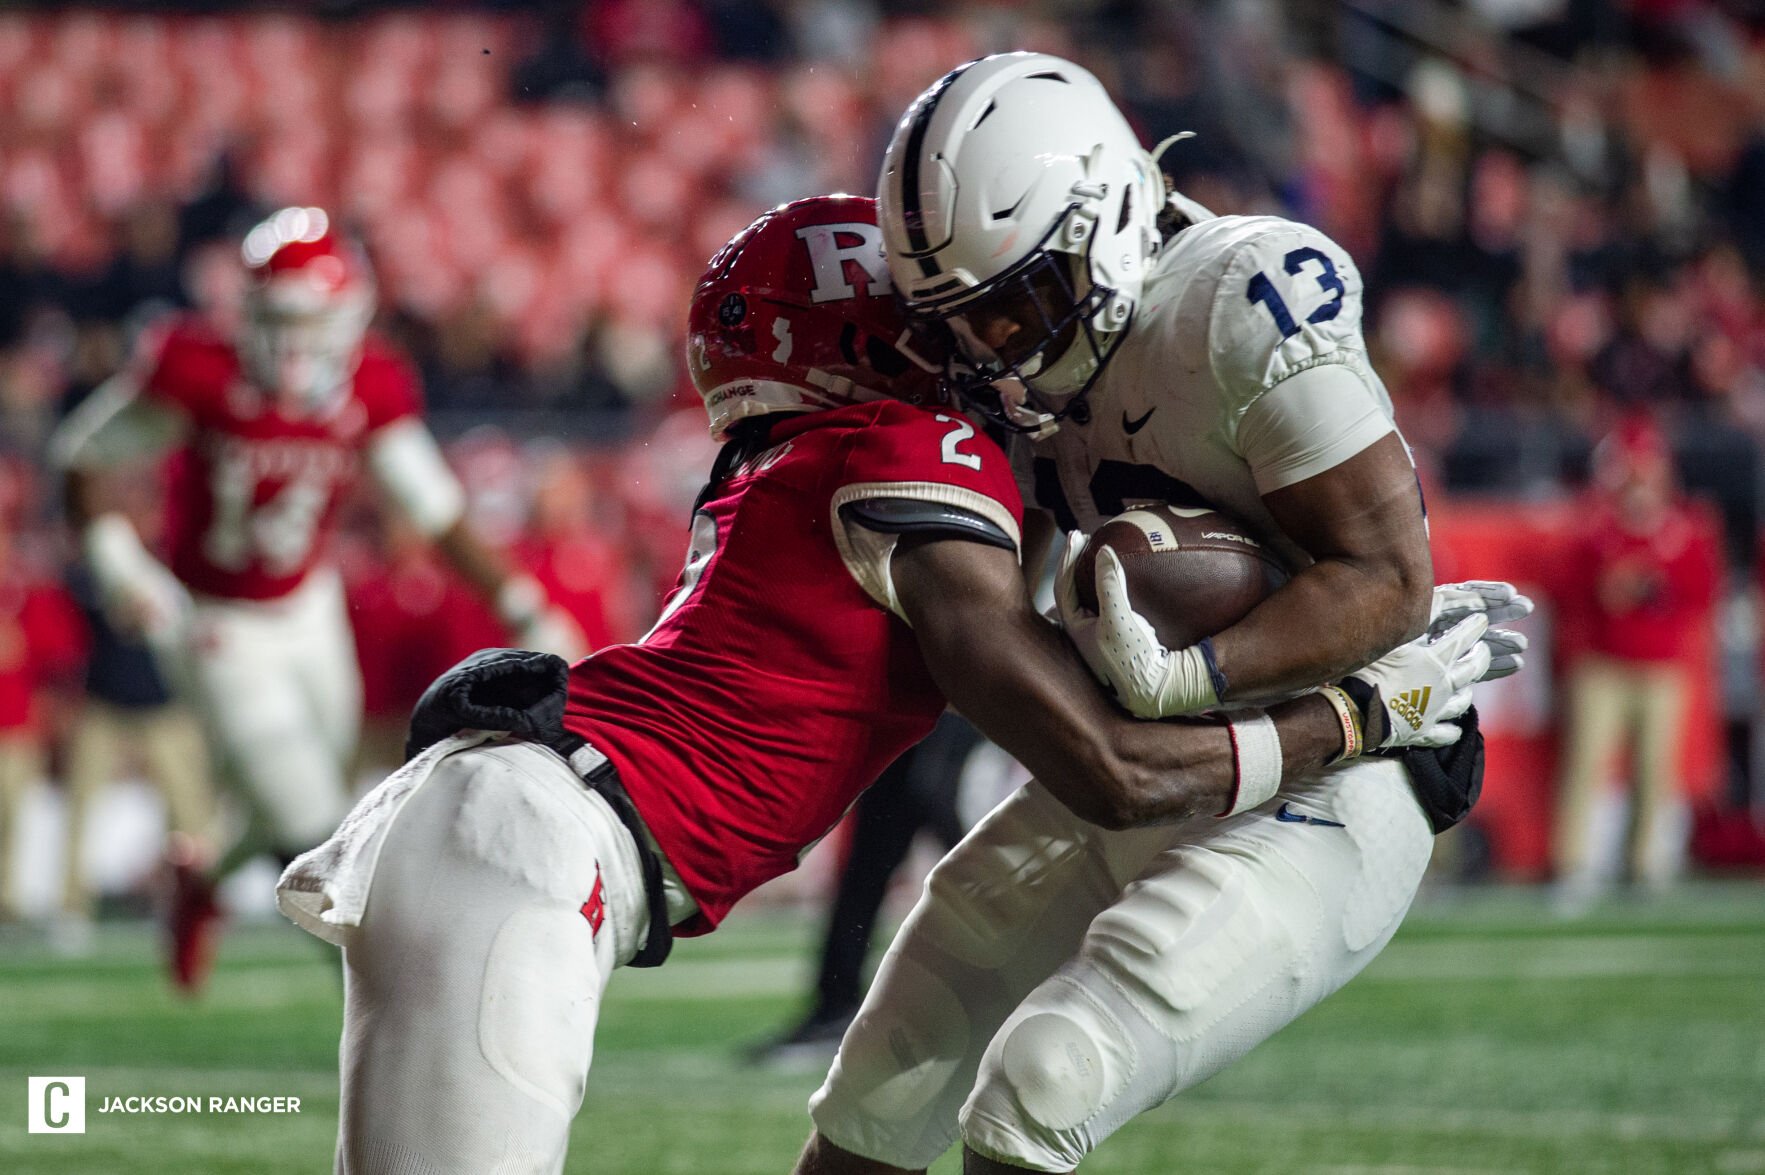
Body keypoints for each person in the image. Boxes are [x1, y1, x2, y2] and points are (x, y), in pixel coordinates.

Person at [273, 195, 1510, 1175]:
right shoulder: (908, 446)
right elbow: (1114, 766)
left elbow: (1071, 670)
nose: (980, 336)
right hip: (535, 839)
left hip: (508, 825)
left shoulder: (835, 461)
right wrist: (1362, 714)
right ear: (880, 327)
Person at [796, 54, 1531, 1175]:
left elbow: (1389, 577)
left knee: (1041, 1081)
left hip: (1342, 752)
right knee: (879, 1078)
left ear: (1115, 209)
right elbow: (1007, 601)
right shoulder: (1017, 363)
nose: (1000, 351)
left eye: (1020, 302)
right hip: (1148, 749)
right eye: (968, 325)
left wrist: (1194, 674)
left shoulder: (1241, 298)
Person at [47, 206, 584, 991]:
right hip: (215, 617)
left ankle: (198, 876)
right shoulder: (198, 367)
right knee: (307, 814)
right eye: (280, 320)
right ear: (250, 313)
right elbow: (80, 456)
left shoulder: (368, 380)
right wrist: (120, 562)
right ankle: (384, 985)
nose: (296, 344)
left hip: (308, 606)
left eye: (314, 321)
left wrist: (522, 601)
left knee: (309, 798)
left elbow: (433, 505)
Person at [1553, 416, 1720, 910]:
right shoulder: (1597, 528)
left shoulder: (1683, 528)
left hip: (1661, 665)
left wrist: (1652, 586)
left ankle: (1645, 864)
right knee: (1586, 765)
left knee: (1655, 770)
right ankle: (1574, 865)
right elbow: (1572, 588)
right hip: (1601, 665)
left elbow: (1700, 592)